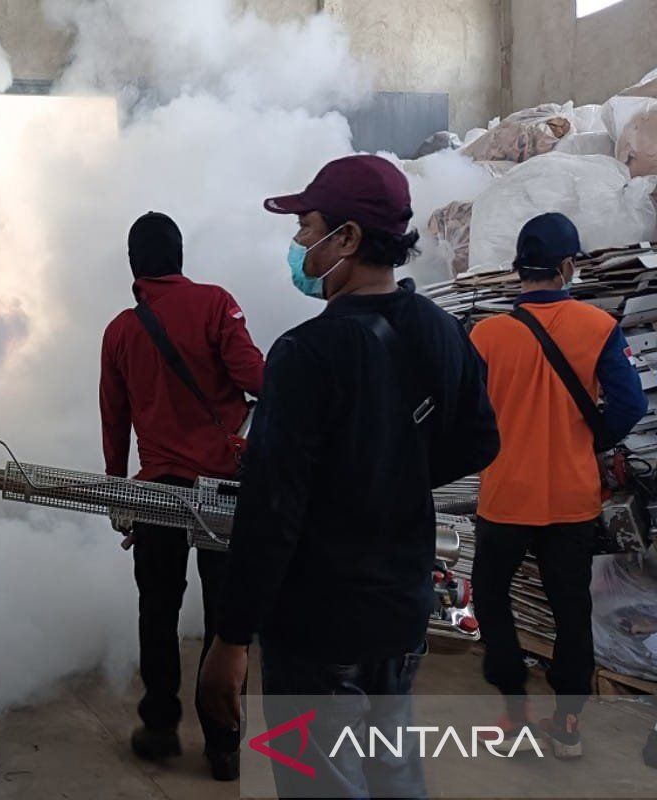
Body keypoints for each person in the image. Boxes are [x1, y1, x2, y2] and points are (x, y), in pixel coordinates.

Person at [197, 155, 500, 797]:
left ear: (350, 239)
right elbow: (481, 440)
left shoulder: (305, 354)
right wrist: (394, 470)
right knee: (391, 770)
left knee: (321, 783)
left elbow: (272, 511)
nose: (299, 243)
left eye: (308, 227)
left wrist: (229, 638)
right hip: (401, 611)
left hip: (317, 622)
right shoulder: (446, 334)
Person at [468, 212, 646, 759]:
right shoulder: (598, 327)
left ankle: (515, 712)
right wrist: (592, 439)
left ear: (519, 269)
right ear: (569, 266)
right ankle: (567, 726)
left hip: (504, 497)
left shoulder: (486, 334)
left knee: (493, 600)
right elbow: (632, 405)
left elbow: (468, 416)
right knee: (571, 610)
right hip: (571, 499)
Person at [99, 211, 265, 781]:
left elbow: (114, 418)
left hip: (157, 495)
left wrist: (118, 487)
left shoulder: (121, 330)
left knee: (158, 609)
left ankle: (160, 725)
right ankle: (223, 741)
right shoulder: (217, 304)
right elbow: (256, 377)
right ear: (180, 257)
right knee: (226, 619)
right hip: (221, 490)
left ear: (133, 267)